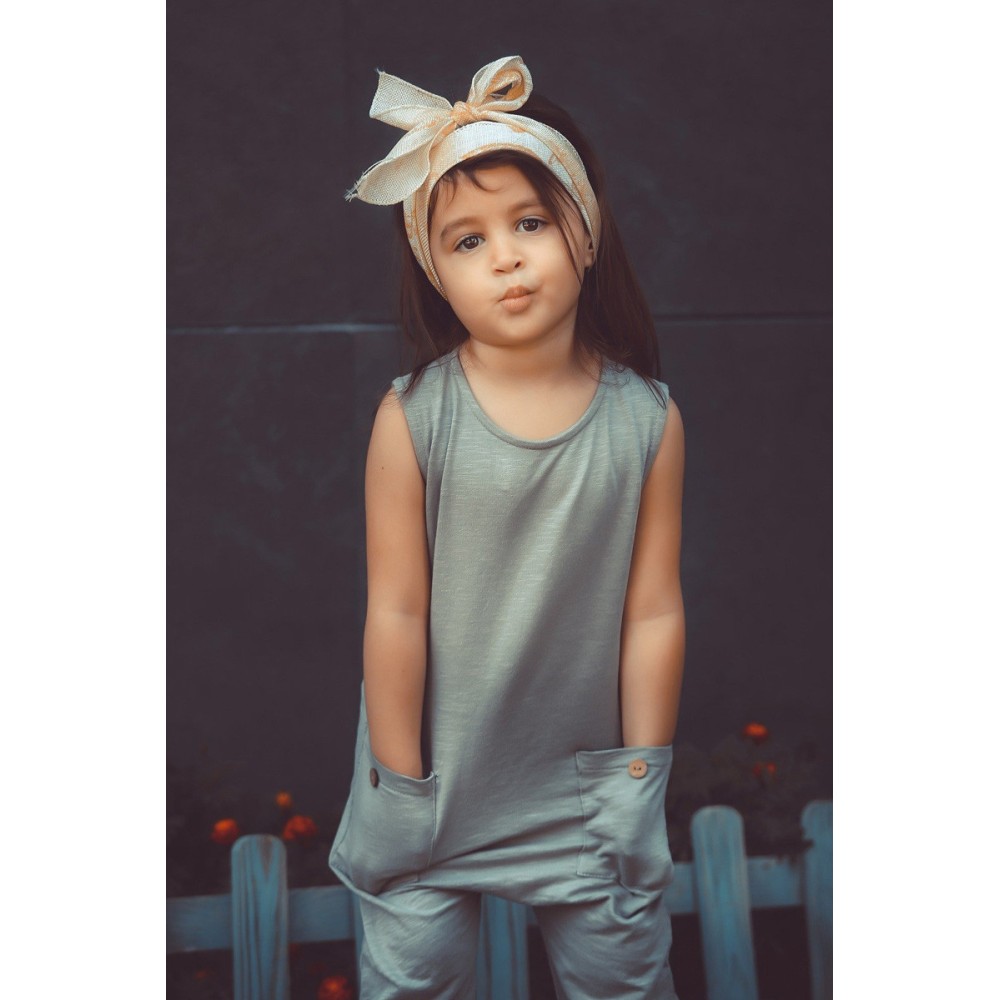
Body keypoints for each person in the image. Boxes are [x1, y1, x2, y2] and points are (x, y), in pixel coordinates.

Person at [328, 55, 686, 1000]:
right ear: (436, 273)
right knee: (416, 983)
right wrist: (400, 783)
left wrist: (639, 777)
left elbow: (652, 611)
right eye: (467, 240)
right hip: (433, 790)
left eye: (530, 222)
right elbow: (396, 611)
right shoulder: (413, 418)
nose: (506, 257)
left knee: (622, 980)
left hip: (586, 799)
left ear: (584, 231)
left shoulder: (647, 419)